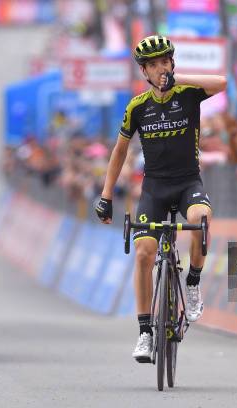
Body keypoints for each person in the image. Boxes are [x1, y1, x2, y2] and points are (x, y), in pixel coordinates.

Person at [94, 35, 227, 363]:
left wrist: (178, 80)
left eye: (164, 62)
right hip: (154, 187)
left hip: (187, 183)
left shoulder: (188, 93)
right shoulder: (137, 107)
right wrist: (106, 195)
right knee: (143, 253)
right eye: (151, 64)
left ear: (172, 63)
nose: (159, 68)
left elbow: (222, 82)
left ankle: (193, 282)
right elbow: (120, 150)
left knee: (199, 220)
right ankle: (144, 333)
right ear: (145, 71)